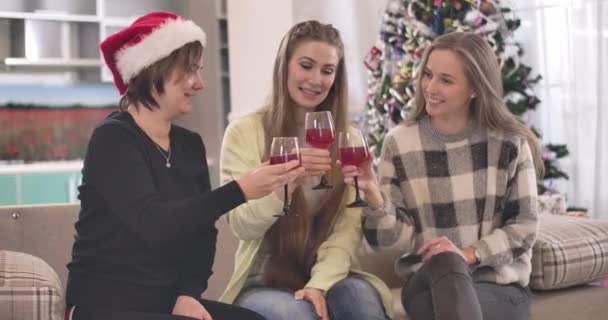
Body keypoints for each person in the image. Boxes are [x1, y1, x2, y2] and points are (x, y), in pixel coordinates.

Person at [65, 11, 303, 320]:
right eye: (190, 70)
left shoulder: (190, 145)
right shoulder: (113, 139)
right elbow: (151, 223)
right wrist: (240, 190)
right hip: (105, 304)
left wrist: (188, 295)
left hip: (166, 303)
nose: (199, 83)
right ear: (154, 69)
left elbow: (203, 235)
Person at [341, 31, 544, 320]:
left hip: (497, 286)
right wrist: (374, 196)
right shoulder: (400, 142)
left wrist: (468, 253)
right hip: (426, 282)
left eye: (446, 80)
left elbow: (524, 227)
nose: (430, 87)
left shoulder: (508, 142)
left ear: (474, 88)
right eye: (428, 74)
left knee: (446, 291)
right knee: (444, 263)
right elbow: (388, 241)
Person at [218, 20, 394, 320]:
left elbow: (346, 232)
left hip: (333, 273)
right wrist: (282, 190)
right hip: (263, 281)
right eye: (306, 65)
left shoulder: (347, 138)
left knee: (360, 304)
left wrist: (320, 285)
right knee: (296, 315)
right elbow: (242, 226)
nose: (316, 79)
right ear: (284, 66)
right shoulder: (243, 133)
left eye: (327, 70)